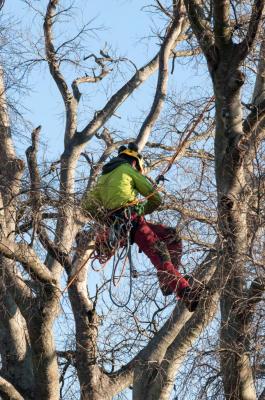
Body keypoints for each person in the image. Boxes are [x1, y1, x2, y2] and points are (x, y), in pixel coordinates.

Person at [82, 142, 202, 311]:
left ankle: (167, 280)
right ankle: (184, 291)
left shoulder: (102, 178)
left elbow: (86, 208)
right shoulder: (128, 170)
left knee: (170, 235)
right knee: (161, 254)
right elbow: (156, 199)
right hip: (133, 222)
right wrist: (140, 209)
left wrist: (108, 218)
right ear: (134, 162)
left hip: (118, 227)